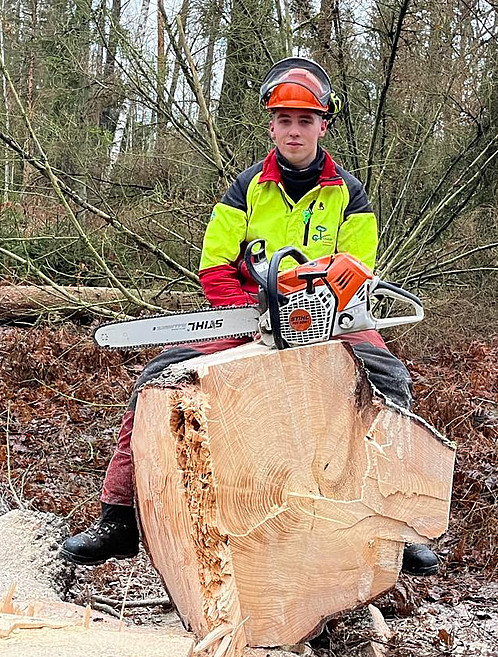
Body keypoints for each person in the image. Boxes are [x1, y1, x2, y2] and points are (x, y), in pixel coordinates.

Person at [60, 57, 438, 576]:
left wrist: (318, 297)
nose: (294, 130)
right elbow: (215, 263)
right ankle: (120, 515)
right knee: (157, 377)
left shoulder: (350, 193)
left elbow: (358, 266)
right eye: (285, 120)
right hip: (254, 317)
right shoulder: (246, 189)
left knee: (391, 382)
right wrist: (249, 308)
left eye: (305, 121)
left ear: (322, 125)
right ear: (272, 125)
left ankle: (400, 526)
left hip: (335, 318)